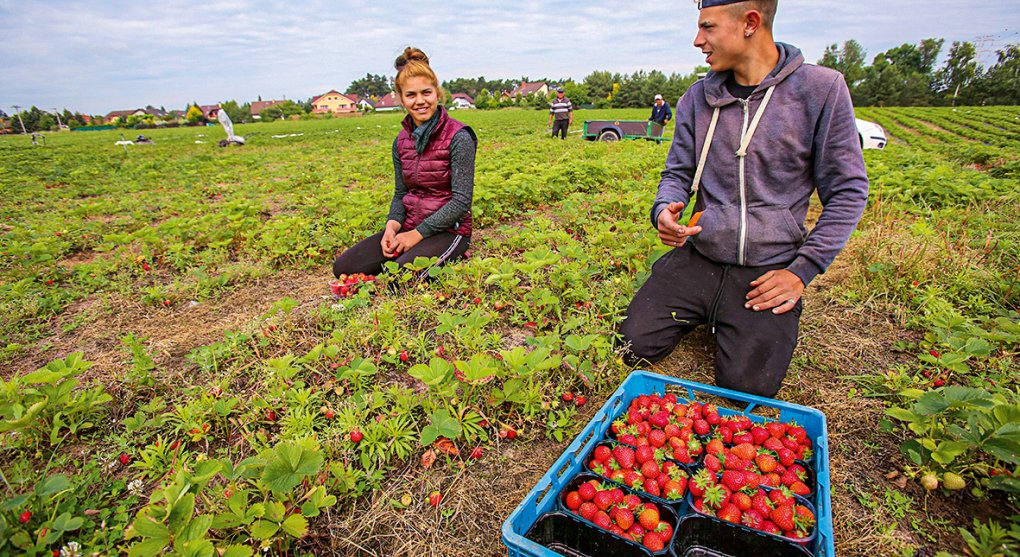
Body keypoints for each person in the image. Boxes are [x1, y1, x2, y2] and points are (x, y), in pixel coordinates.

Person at [619, 0, 869, 398]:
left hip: (767, 266)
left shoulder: (820, 90)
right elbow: (676, 174)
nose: (698, 40)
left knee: (748, 388)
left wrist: (800, 272)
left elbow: (848, 191)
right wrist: (663, 209)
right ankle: (706, 307)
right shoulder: (697, 98)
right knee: (633, 345)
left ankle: (733, 316)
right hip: (701, 255)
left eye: (708, 28)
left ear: (750, 23)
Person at [333, 47, 476, 279]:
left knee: (401, 277)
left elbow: (461, 202)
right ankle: (411, 255)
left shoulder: (459, 136)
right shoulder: (401, 141)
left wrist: (417, 235)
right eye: (411, 95)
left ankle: (448, 253)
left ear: (437, 94)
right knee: (344, 268)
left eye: (426, 93)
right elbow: (401, 193)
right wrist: (392, 226)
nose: (420, 101)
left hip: (450, 231)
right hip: (411, 226)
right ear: (400, 99)